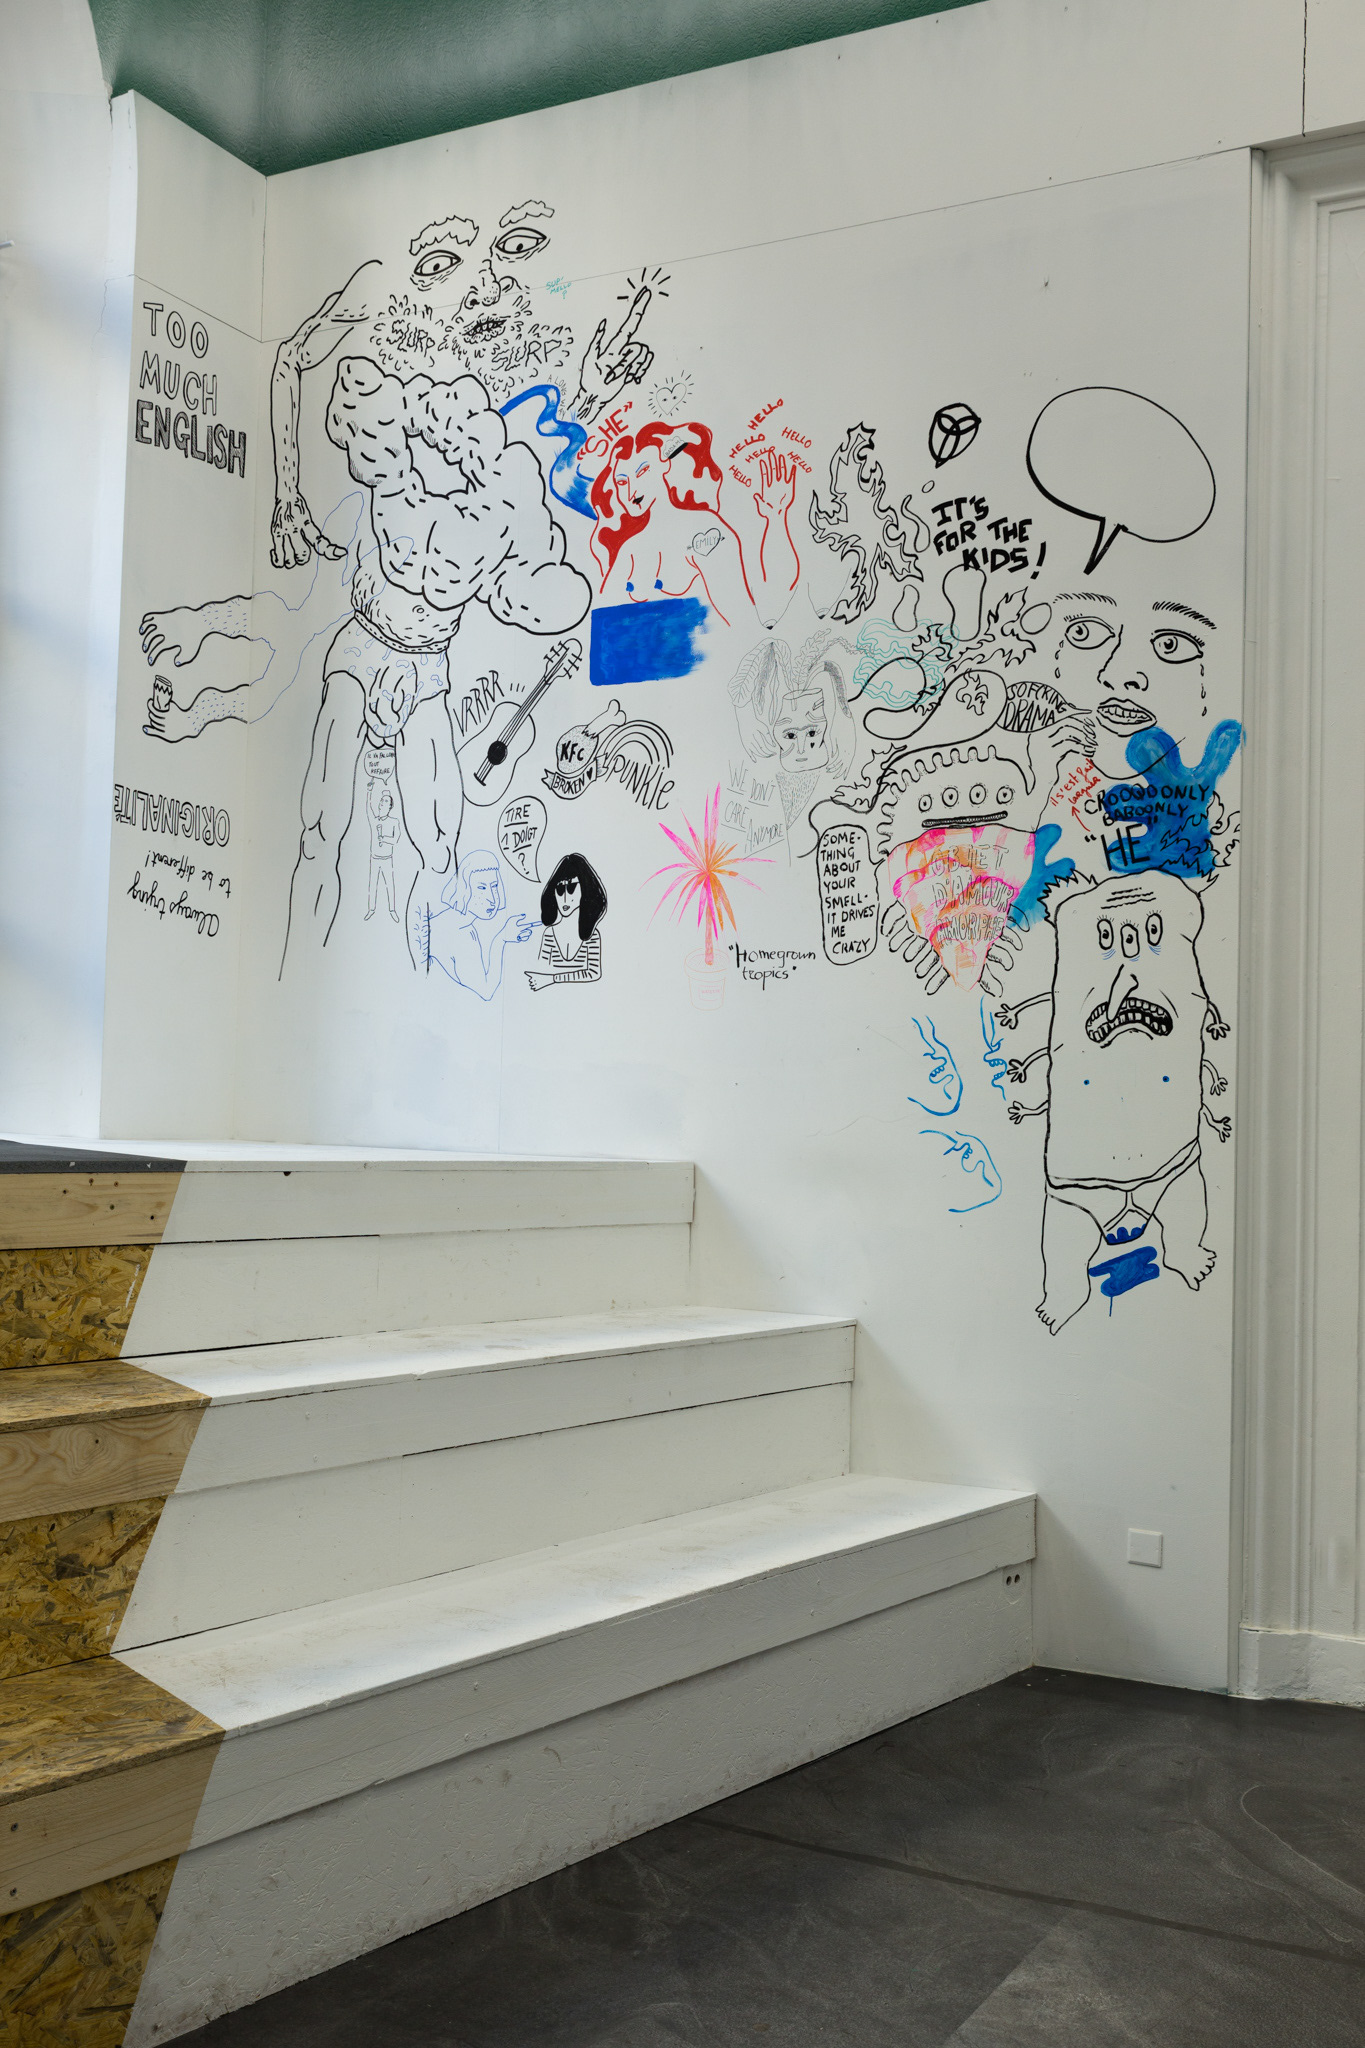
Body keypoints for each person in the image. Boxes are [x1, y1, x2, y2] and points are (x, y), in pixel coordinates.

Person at [589, 422, 798, 629]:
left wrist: (776, 518)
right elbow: (601, 624)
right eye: (622, 482)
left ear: (664, 465)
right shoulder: (630, 549)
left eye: (642, 471)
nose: (631, 491)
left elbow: (744, 620)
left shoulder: (704, 531)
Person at [430, 853, 534, 998]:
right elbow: (486, 991)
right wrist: (501, 939)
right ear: (464, 888)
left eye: (494, 886)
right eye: (481, 888)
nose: (492, 898)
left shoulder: (457, 923)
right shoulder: (462, 933)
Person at [527, 854, 607, 989]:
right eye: (559, 890)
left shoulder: (592, 935)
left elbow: (594, 973)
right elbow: (542, 970)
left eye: (571, 888)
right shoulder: (549, 934)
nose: (564, 898)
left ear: (584, 888)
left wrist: (552, 979)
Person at [365, 787, 400, 922]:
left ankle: (392, 910)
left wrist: (384, 838)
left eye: (386, 801)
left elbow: (395, 840)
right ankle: (371, 909)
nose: (382, 803)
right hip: (374, 858)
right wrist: (369, 792)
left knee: (389, 885)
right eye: (382, 800)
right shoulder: (375, 821)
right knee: (372, 884)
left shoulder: (394, 822)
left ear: (390, 806)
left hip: (386, 859)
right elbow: (368, 809)